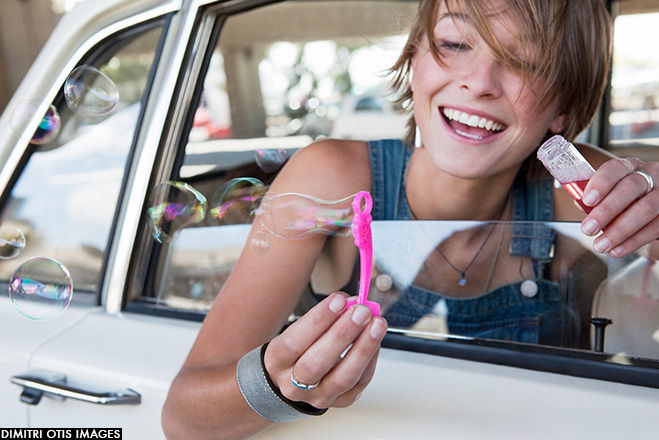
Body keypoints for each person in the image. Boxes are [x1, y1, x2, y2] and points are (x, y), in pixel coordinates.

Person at [162, 0, 659, 438]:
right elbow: (185, 418)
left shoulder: (580, 191)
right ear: (415, 57)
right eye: (455, 42)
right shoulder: (334, 176)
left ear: (564, 106)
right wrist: (281, 384)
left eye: (524, 62)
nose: (478, 83)